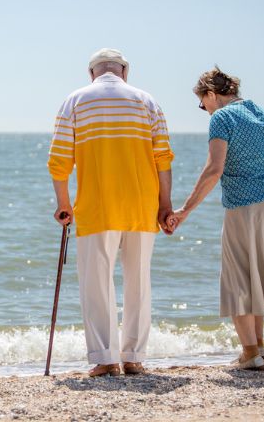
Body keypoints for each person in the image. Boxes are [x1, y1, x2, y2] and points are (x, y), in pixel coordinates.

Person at [168, 66, 264, 370]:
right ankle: (257, 347)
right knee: (255, 276)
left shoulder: (222, 118)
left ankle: (249, 353)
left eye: (202, 103)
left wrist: (184, 210)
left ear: (211, 94)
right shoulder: (262, 111)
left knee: (237, 278)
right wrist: (260, 165)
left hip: (245, 206)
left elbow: (213, 169)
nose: (204, 110)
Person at [47, 48, 174, 377]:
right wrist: (165, 205)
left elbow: (59, 161)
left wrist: (63, 203)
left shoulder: (75, 101)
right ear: (124, 72)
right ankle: (133, 357)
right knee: (139, 281)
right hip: (141, 205)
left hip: (96, 206)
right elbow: (163, 160)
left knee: (96, 283)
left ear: (92, 73)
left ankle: (106, 358)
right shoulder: (147, 102)